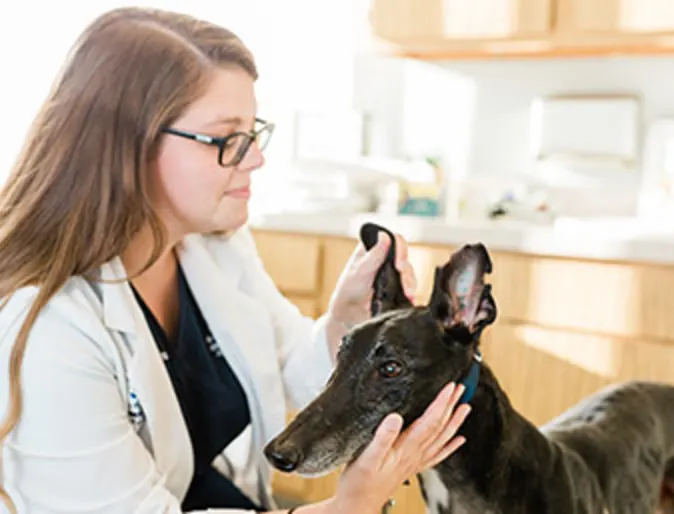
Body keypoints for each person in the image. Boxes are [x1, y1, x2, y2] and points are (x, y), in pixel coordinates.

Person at [0, 7, 471, 514]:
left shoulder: (215, 245)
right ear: (129, 144)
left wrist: (345, 322)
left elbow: (287, 365)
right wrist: (347, 507)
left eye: (253, 132)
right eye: (227, 139)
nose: (255, 158)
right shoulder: (48, 330)